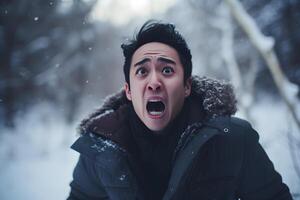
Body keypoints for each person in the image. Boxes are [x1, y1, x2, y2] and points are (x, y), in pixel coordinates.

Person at [67, 20, 293, 200]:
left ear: (187, 86)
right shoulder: (100, 145)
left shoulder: (234, 140)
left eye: (166, 70)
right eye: (142, 72)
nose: (154, 82)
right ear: (128, 91)